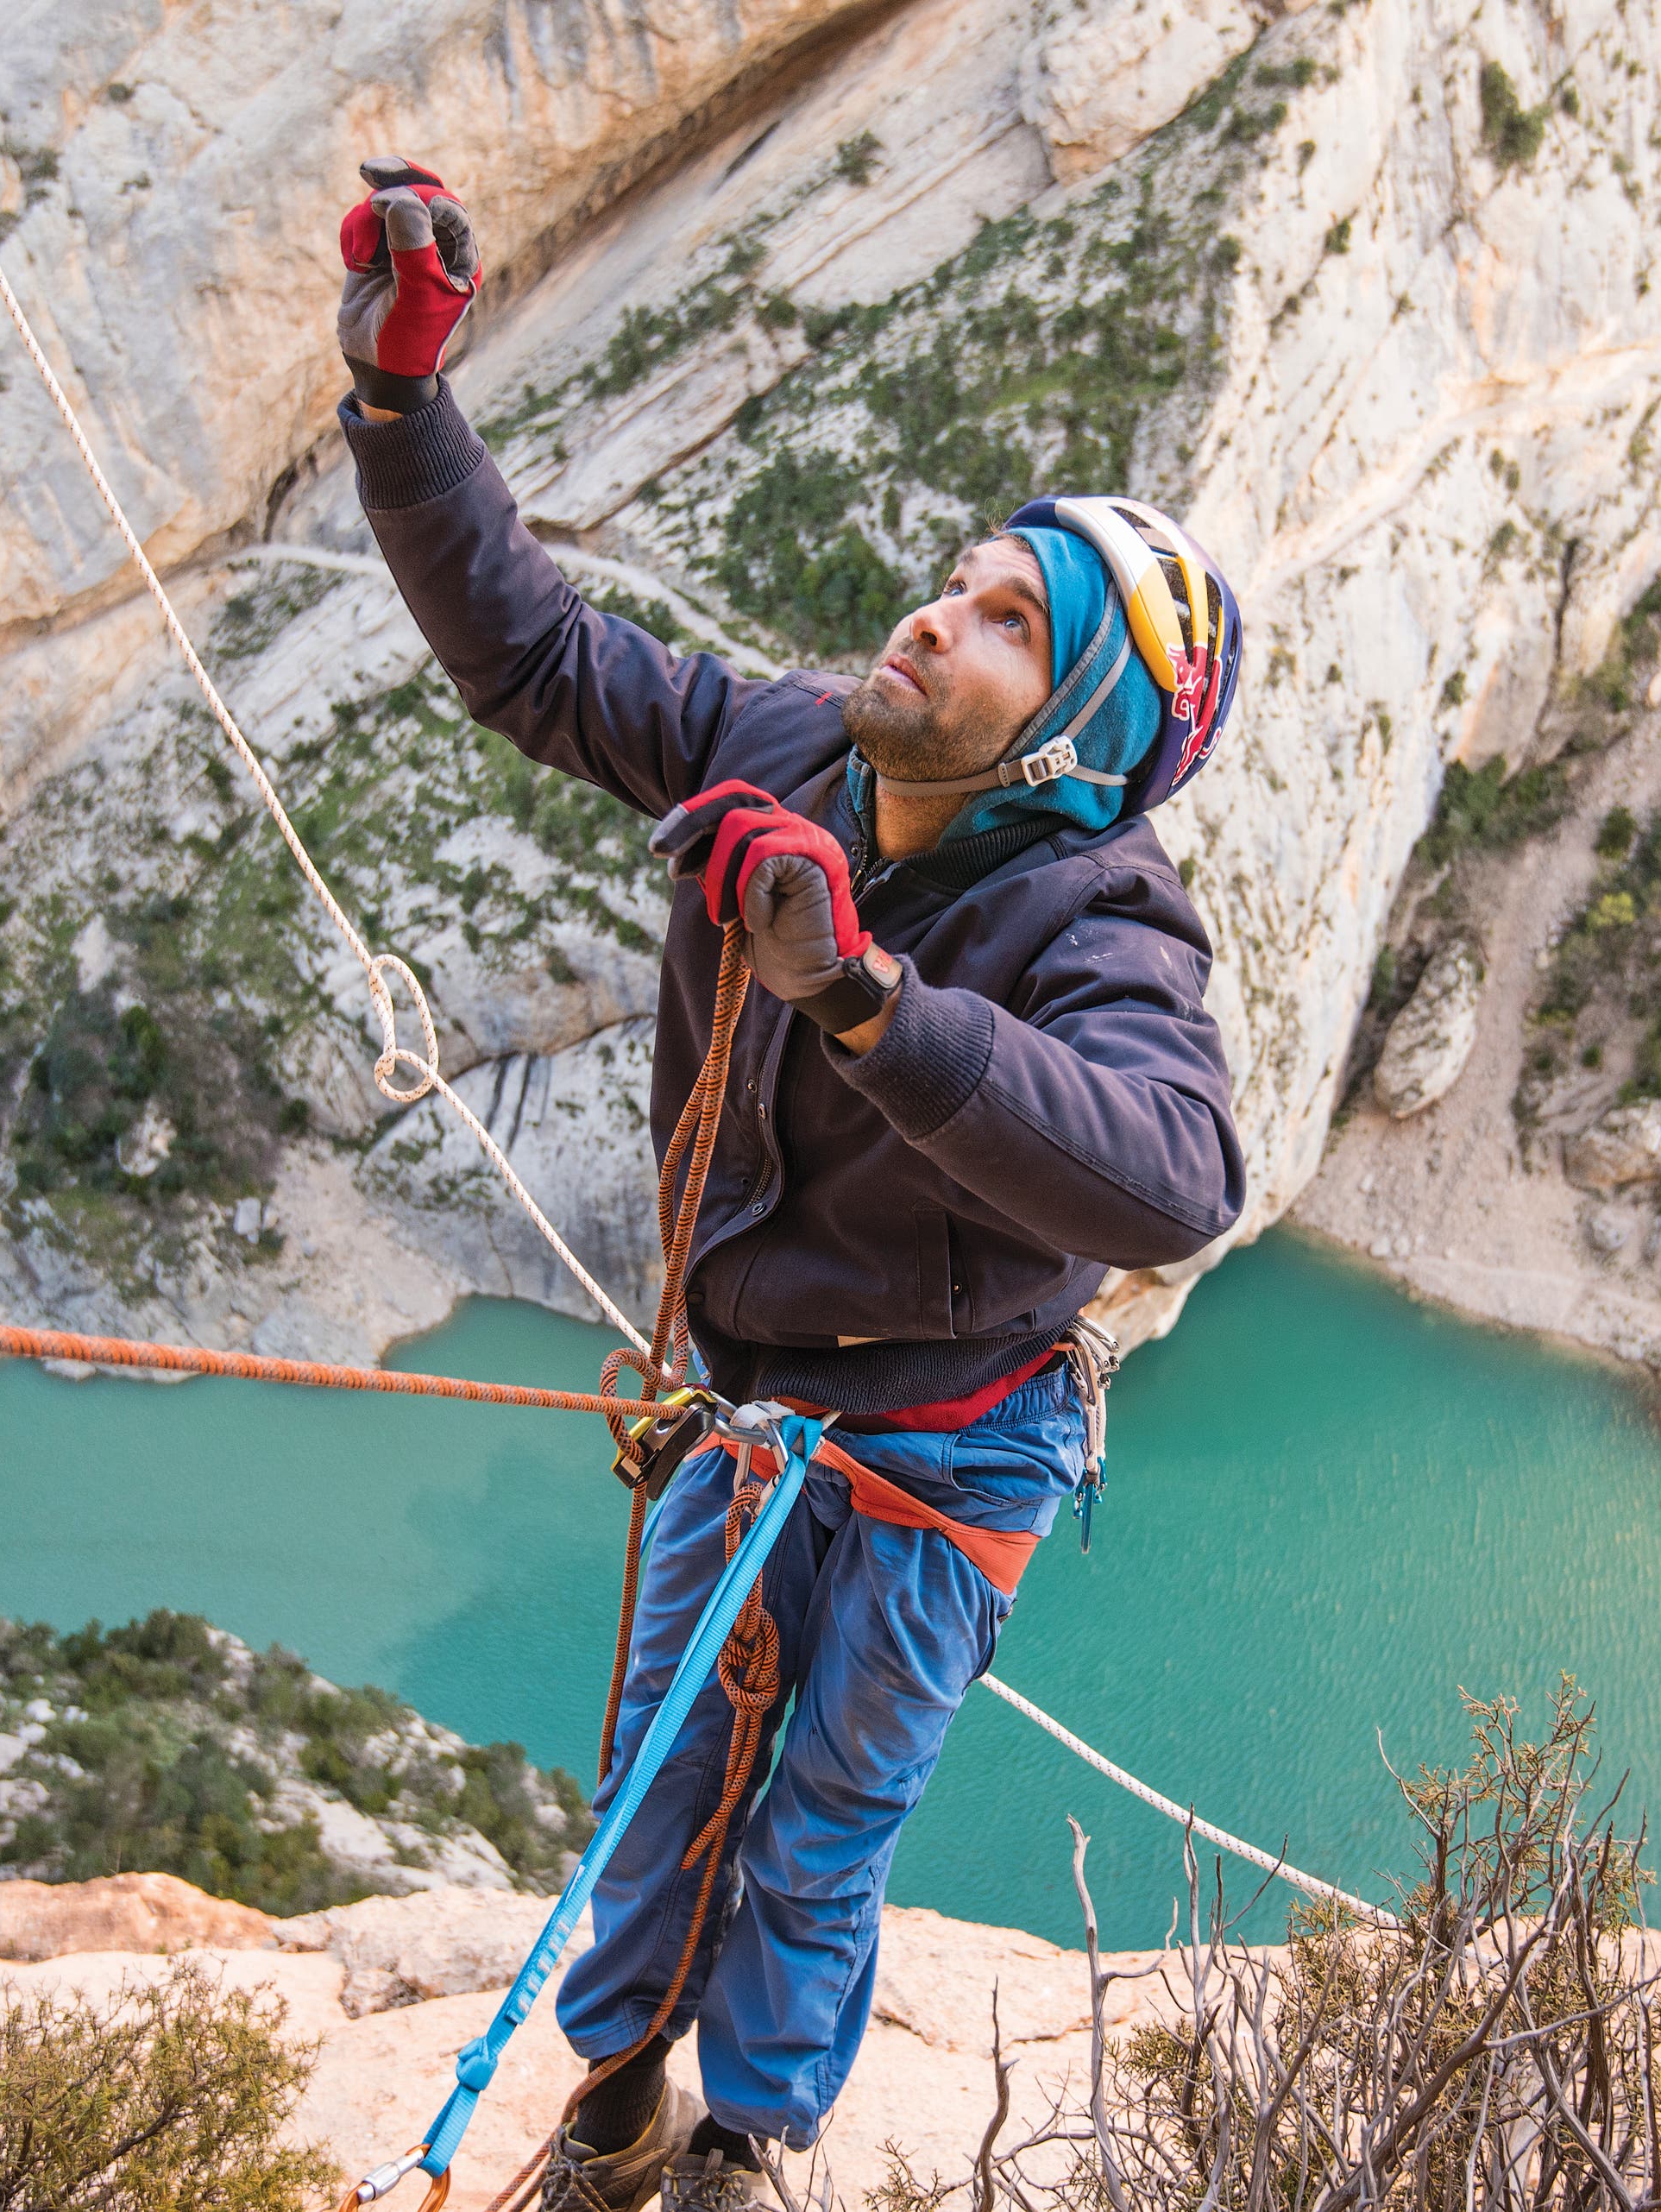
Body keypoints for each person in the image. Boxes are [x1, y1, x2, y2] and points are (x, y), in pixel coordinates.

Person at [330, 158, 1250, 2212]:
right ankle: (617, 2093)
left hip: (942, 1444)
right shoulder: (790, 745)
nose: (934, 609)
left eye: (1014, 619)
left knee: (827, 1809)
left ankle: (748, 2144)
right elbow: (543, 659)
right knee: (661, 1778)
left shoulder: (1107, 919)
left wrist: (862, 997)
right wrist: (406, 408)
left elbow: (1175, 1176)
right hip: (755, 1403)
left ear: (1085, 726)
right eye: (960, 575)